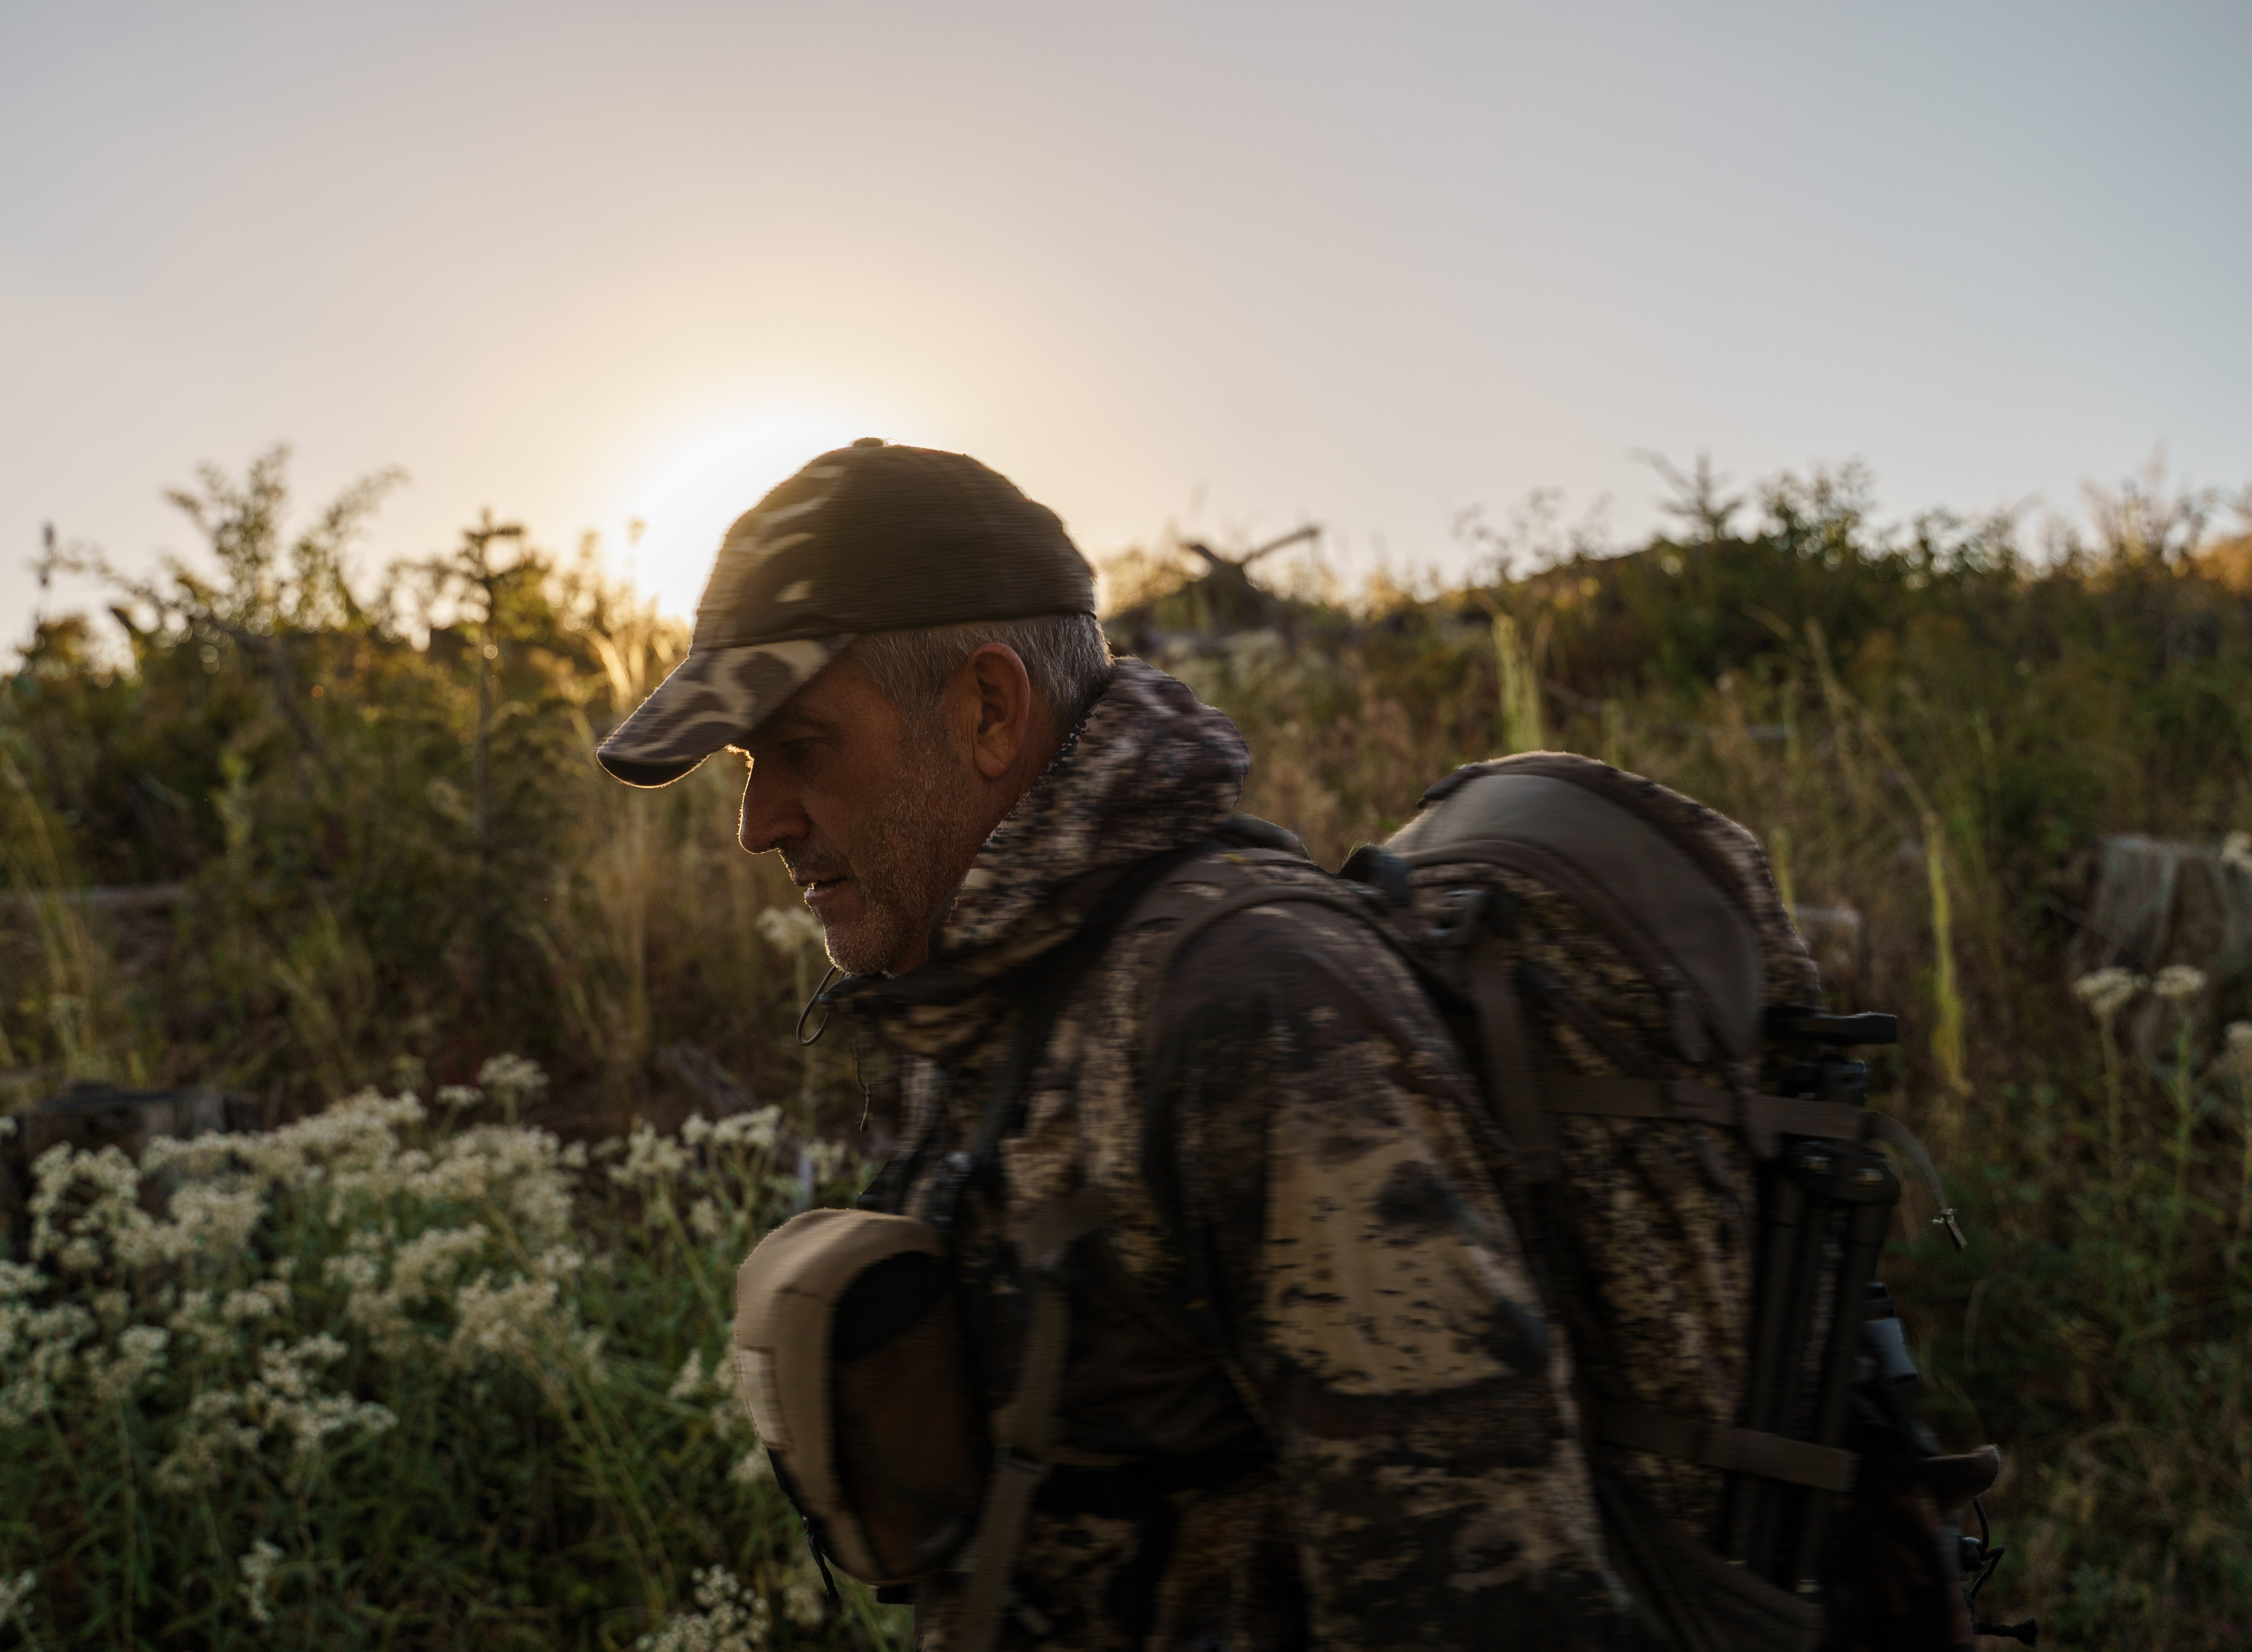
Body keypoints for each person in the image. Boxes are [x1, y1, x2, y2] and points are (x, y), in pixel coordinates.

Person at [598, 439, 1625, 1651]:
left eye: (803, 746)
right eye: (747, 763)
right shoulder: (990, 975)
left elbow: (1492, 1605)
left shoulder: (1258, 1013)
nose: (757, 822)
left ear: (989, 709)